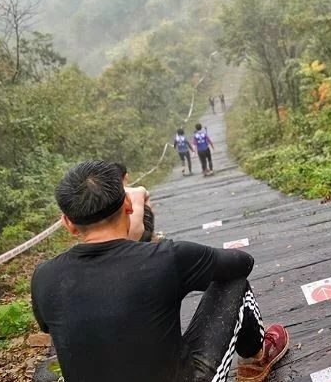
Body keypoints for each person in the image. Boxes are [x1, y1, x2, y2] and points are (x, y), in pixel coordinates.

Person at [31, 161, 289, 382]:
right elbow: (242, 263)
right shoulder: (166, 258)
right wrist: (139, 242)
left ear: (69, 224)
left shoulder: (44, 277)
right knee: (232, 284)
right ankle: (258, 356)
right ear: (129, 206)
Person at [113, 162, 154, 242]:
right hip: (140, 238)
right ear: (126, 176)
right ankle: (152, 236)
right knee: (145, 200)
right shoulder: (139, 191)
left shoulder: (104, 197)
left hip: (114, 240)